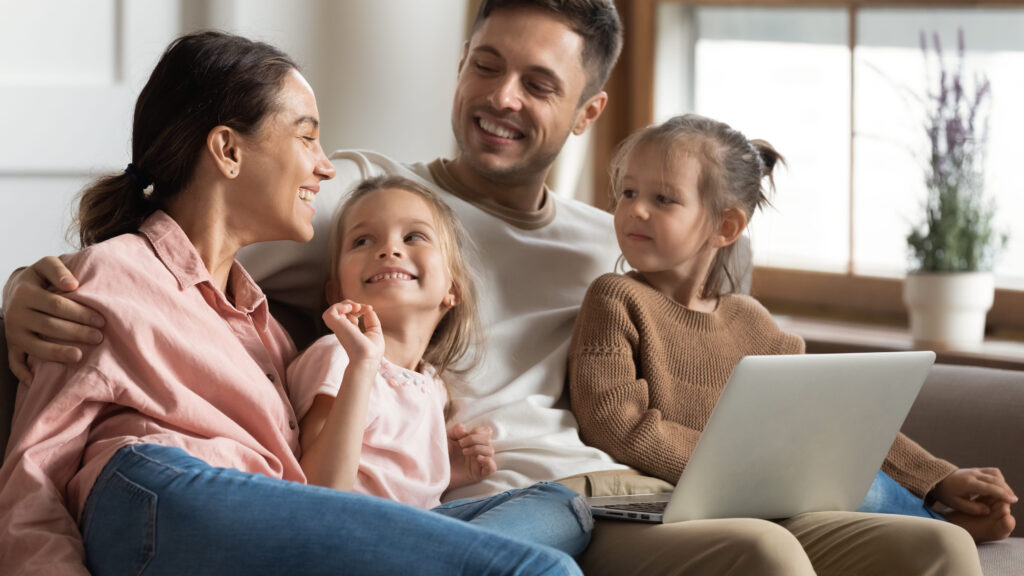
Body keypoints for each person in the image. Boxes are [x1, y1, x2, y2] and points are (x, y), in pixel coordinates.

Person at [0, 2, 1002, 574]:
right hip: (524, 509)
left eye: (537, 84)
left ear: (588, 112)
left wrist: (927, 473)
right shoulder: (370, 197)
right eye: (485, 65)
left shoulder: (618, 243)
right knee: (747, 562)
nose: (500, 98)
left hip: (638, 494)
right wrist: (22, 293)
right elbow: (173, 237)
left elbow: (742, 354)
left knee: (936, 552)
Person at [0, 31, 581, 576]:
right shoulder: (109, 275)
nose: (325, 166)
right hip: (158, 490)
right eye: (307, 137)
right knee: (540, 570)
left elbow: (311, 485)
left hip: (263, 508)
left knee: (563, 509)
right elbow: (32, 477)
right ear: (228, 150)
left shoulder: (264, 326)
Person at [566, 113, 1017, 546]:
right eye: (628, 192)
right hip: (705, 497)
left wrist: (939, 476)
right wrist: (741, 470)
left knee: (857, 478)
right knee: (838, 489)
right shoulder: (615, 298)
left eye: (663, 199)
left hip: (778, 491)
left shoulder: (751, 322)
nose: (635, 210)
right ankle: (941, 531)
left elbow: (838, 420)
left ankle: (936, 526)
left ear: (726, 226)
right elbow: (613, 422)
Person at [289, 175, 591, 555]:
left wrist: (449, 471)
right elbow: (320, 493)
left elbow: (408, 492)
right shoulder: (340, 355)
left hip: (417, 533)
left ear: (453, 289)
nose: (388, 249)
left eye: (413, 236)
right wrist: (361, 367)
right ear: (336, 293)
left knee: (563, 506)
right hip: (355, 538)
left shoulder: (432, 385)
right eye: (362, 241)